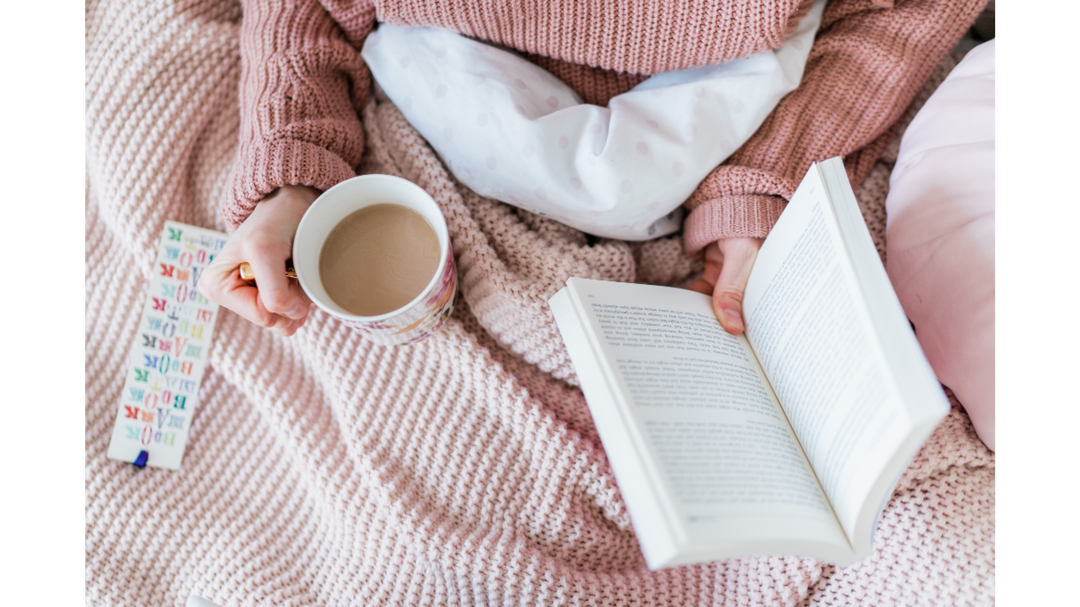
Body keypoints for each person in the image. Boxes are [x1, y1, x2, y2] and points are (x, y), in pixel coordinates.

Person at [198, 0, 986, 337]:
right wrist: (291, 172)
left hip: (741, 96)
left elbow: (888, 26)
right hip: (428, 69)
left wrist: (754, 193)